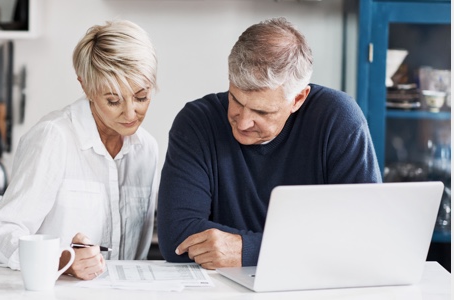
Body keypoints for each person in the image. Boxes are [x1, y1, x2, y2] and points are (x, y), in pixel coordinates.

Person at [157, 17, 382, 270]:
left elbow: (364, 234)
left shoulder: (338, 119)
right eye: (236, 101)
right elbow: (177, 235)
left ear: (298, 99)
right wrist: (306, 248)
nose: (243, 123)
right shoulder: (197, 122)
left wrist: (249, 250)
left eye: (262, 112)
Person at [0, 20, 159, 280]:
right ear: (85, 86)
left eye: (141, 97)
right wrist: (61, 259)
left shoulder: (147, 150)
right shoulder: (54, 137)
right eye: (113, 100)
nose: (131, 113)